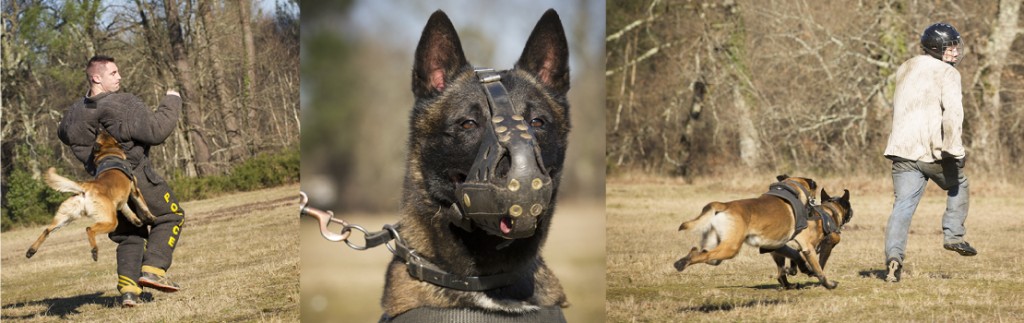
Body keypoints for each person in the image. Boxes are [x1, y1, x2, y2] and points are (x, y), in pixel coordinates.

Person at [57, 55, 186, 306]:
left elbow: (62, 132)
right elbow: (157, 131)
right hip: (135, 176)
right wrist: (172, 99)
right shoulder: (120, 104)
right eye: (114, 73)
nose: (120, 77)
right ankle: (154, 270)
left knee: (129, 234)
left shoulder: (73, 114)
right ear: (97, 77)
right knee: (171, 217)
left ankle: (129, 290)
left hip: (103, 185)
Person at [882, 23, 976, 283]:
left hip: (901, 150)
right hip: (932, 152)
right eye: (950, 47)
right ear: (936, 48)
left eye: (956, 47)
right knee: (960, 184)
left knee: (902, 207)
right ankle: (953, 236)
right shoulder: (947, 73)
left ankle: (893, 258)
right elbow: (953, 114)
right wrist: (954, 150)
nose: (955, 52)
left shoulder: (906, 66)